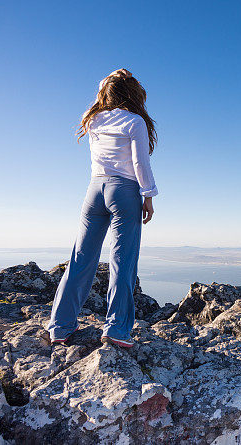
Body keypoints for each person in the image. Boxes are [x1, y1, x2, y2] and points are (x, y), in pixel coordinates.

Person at [47, 68, 157, 348]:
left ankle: (60, 327)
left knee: (80, 260)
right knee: (123, 262)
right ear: (134, 94)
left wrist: (110, 77)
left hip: (94, 191)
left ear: (107, 92)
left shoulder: (93, 120)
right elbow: (140, 164)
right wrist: (149, 196)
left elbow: (102, 90)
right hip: (125, 191)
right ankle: (117, 329)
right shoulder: (134, 122)